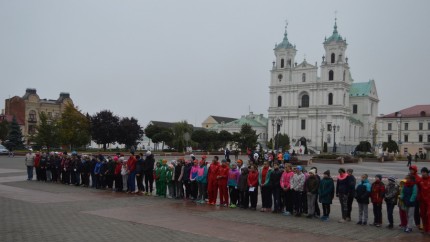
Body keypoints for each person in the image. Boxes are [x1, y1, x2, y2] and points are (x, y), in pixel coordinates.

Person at [409, 165, 422, 229]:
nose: (411, 171)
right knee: (412, 211)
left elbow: (420, 188)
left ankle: (419, 224)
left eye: (412, 169)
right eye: (410, 169)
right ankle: (415, 224)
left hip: (417, 197)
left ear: (415, 170)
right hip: (410, 196)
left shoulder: (418, 178)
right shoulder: (409, 177)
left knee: (417, 211)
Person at [419, 167, 430, 234]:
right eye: (422, 172)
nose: (423, 173)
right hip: (422, 201)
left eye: (424, 172)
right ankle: (425, 228)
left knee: (428, 215)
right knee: (422, 215)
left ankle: (429, 229)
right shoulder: (420, 180)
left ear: (427, 172)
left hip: (429, 201)